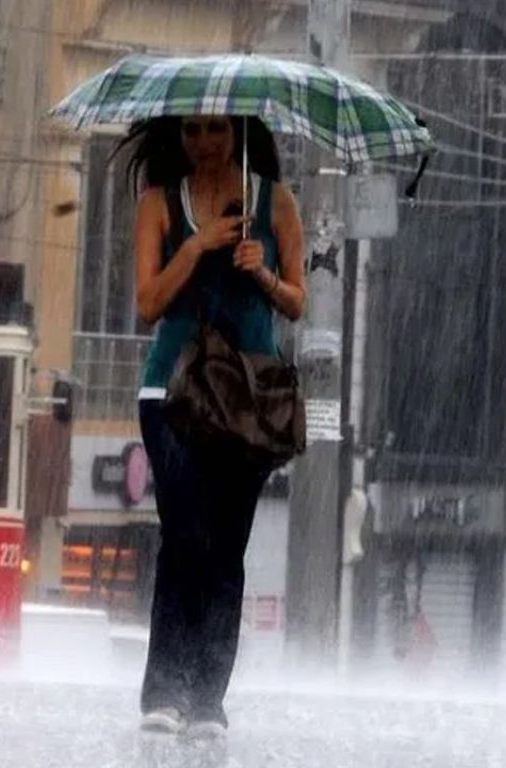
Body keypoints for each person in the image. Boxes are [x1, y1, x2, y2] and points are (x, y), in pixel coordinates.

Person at [125, 114, 306, 738]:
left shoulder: (276, 201)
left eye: (218, 131)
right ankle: (163, 690)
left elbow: (296, 301)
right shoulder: (158, 203)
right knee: (185, 538)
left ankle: (208, 698)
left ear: (239, 133)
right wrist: (198, 247)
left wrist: (260, 269)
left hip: (249, 398)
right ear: (178, 137)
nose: (205, 143)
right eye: (193, 131)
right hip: (170, 393)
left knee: (226, 551)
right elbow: (147, 304)